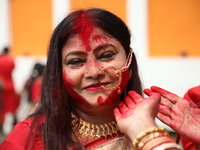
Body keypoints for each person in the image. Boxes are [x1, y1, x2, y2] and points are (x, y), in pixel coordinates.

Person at [0, 8, 182, 150]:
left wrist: (145, 133)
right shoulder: (28, 139)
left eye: (106, 55)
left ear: (129, 60)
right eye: (76, 61)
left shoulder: (149, 127)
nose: (94, 72)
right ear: (59, 73)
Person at [0, 47, 20, 135]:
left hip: (1, 87)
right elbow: (13, 68)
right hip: (10, 86)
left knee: (2, 108)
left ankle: (1, 128)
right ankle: (15, 127)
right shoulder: (10, 60)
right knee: (12, 108)